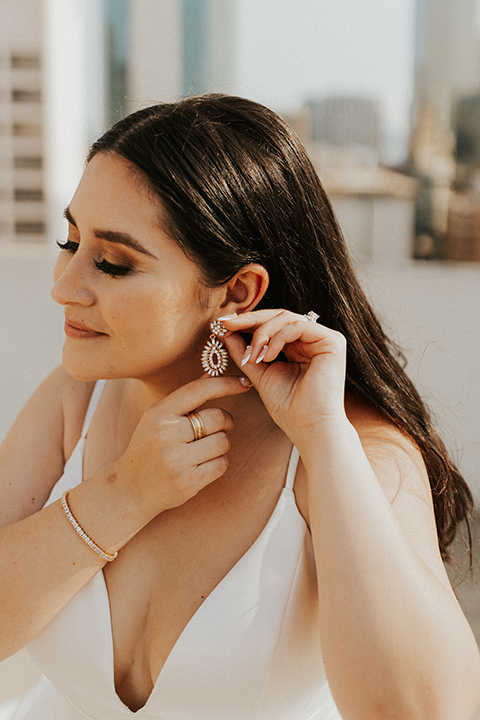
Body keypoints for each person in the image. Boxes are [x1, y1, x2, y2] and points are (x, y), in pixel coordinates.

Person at [0, 94, 479, 720]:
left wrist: (324, 439)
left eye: (113, 263)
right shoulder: (76, 401)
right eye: (71, 241)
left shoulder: (356, 450)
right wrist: (122, 495)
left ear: (237, 292)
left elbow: (423, 712)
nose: (64, 286)